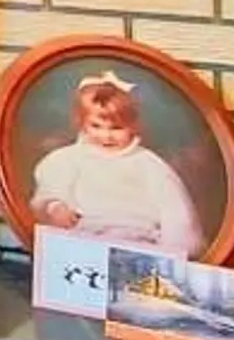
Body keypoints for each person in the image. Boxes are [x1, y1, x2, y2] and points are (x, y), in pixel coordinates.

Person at [27, 71, 202, 258]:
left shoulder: (148, 164)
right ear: (82, 124)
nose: (106, 136)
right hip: (84, 235)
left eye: (116, 128)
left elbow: (175, 210)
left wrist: (176, 251)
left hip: (137, 238)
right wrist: (55, 207)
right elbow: (50, 189)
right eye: (96, 126)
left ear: (133, 126)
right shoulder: (69, 159)